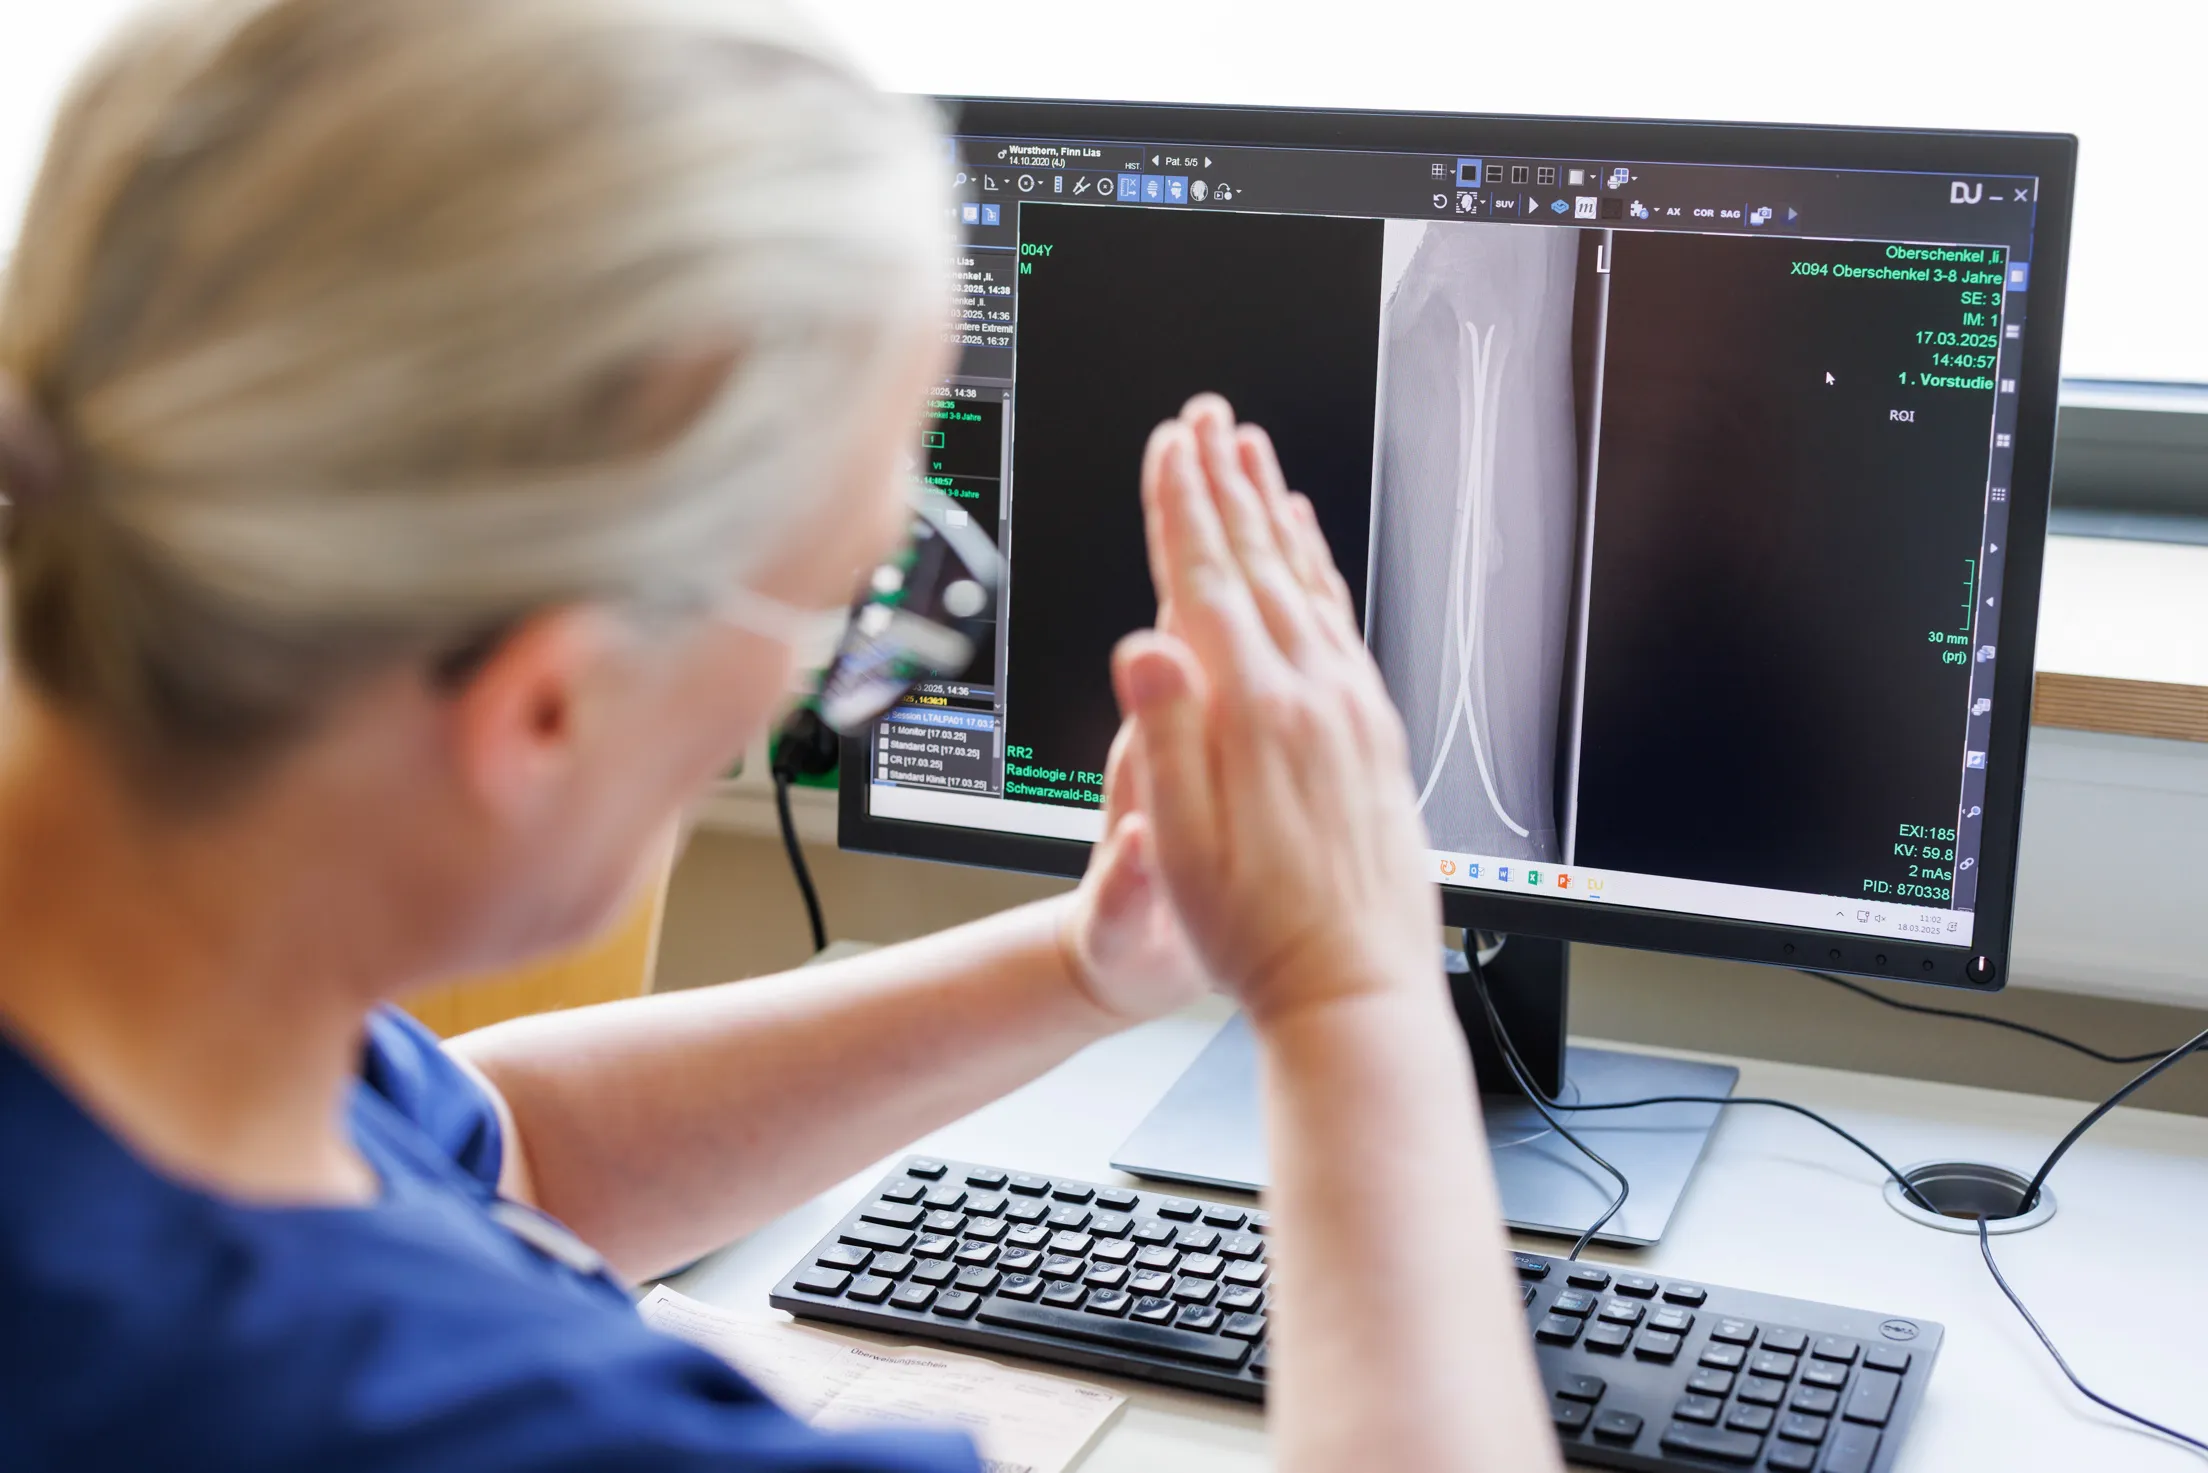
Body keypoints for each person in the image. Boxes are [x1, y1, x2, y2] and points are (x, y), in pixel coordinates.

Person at [0, 1, 1557, 1469]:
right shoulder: (499, 1424)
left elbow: (505, 1163)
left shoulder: (164, 1031)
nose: (836, 669)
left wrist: (1090, 960)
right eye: (842, 609)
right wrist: (1349, 988)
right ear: (548, 705)